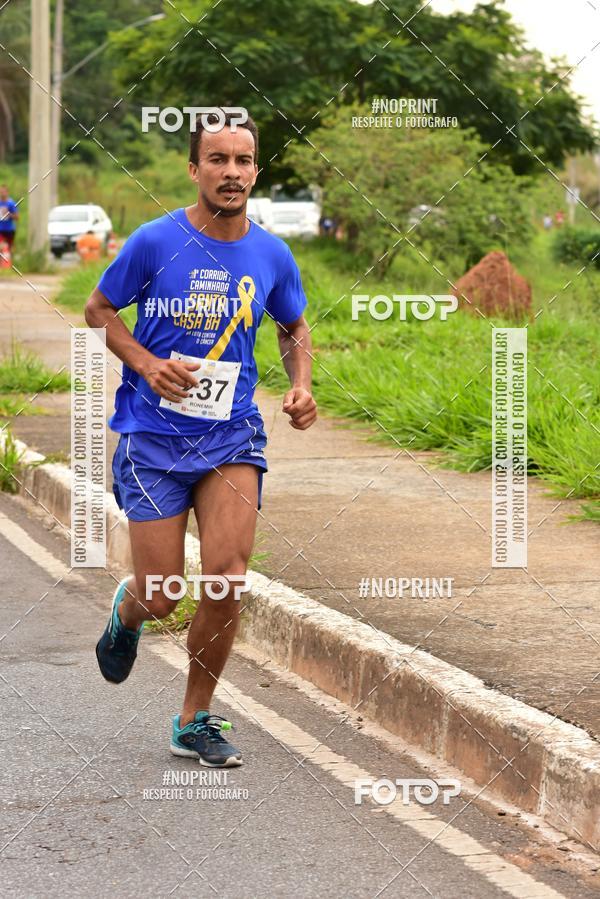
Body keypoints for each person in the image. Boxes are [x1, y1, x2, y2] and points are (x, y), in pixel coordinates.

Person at [85, 109, 317, 767]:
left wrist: (300, 384)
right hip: (152, 438)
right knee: (163, 595)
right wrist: (146, 363)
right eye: (218, 159)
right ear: (195, 169)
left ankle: (194, 719)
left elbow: (293, 325)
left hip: (232, 439)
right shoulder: (155, 243)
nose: (232, 172)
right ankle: (127, 613)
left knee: (226, 579)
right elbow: (99, 309)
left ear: (255, 171)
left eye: (243, 161)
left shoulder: (272, 251)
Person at [0, 184, 19, 253]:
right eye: (1, 192)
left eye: (3, 192)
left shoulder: (10, 203)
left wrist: (8, 214)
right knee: (1, 247)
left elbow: (17, 217)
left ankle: (8, 262)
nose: (2, 194)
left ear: (7, 192)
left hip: (9, 230)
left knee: (8, 250)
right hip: (0, 230)